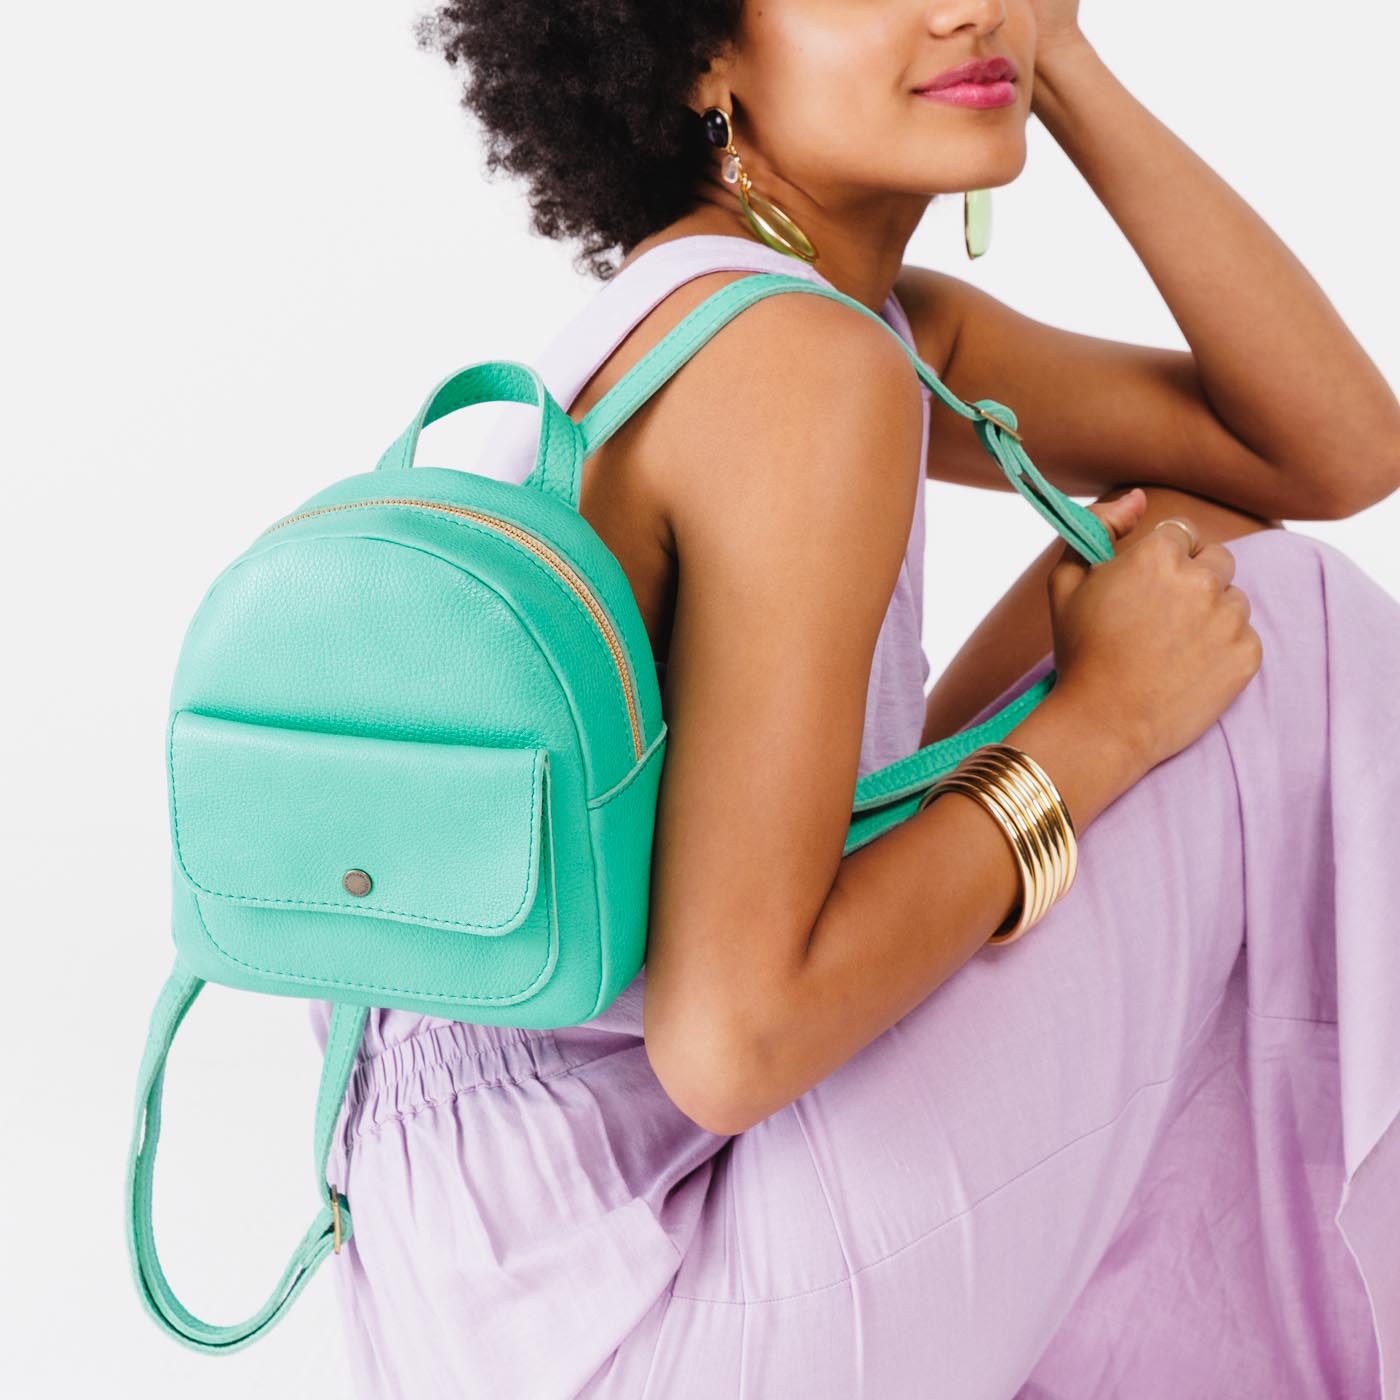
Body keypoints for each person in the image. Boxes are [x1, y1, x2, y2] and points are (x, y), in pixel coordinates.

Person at [309, 1, 1400, 1395]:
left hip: (494, 1306)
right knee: (1282, 617)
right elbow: (732, 1042)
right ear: (695, 53)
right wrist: (1102, 727)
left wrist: (1061, 62)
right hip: (659, 1306)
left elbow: (1331, 449)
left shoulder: (754, 319)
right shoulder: (792, 367)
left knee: (1200, 553)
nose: (967, 7)